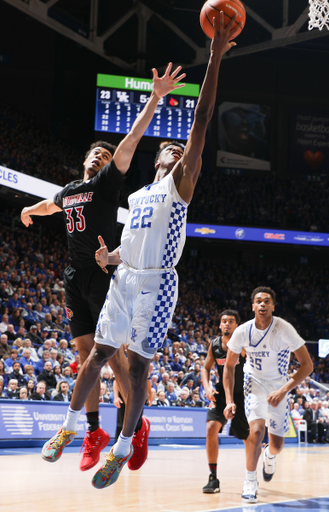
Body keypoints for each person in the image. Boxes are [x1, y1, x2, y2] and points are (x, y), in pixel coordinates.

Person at [41, 13, 239, 490]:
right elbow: (132, 242)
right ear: (157, 160)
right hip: (126, 276)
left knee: (137, 366)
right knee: (96, 355)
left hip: (158, 283)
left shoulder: (181, 184)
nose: (177, 150)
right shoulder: (136, 197)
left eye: (181, 148)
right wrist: (111, 259)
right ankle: (69, 427)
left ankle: (123, 448)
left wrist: (214, 54)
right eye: (169, 149)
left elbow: (202, 119)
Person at [223, 286, 313, 503]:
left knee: (278, 444)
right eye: (258, 301)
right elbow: (229, 366)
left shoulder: (284, 328)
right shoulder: (243, 331)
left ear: (273, 306)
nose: (262, 304)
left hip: (279, 386)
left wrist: (283, 390)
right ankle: (250, 482)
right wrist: (229, 400)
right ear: (252, 306)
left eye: (266, 301)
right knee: (256, 430)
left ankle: (270, 457)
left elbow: (307, 366)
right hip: (253, 382)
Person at [201, 310, 250, 494]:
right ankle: (213, 478)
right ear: (220, 325)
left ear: (237, 325)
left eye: (231, 321)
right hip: (222, 393)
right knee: (210, 428)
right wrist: (207, 387)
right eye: (224, 321)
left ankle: (250, 478)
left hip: (243, 394)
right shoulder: (214, 345)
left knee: (248, 438)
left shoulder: (243, 345)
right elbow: (205, 368)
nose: (227, 324)